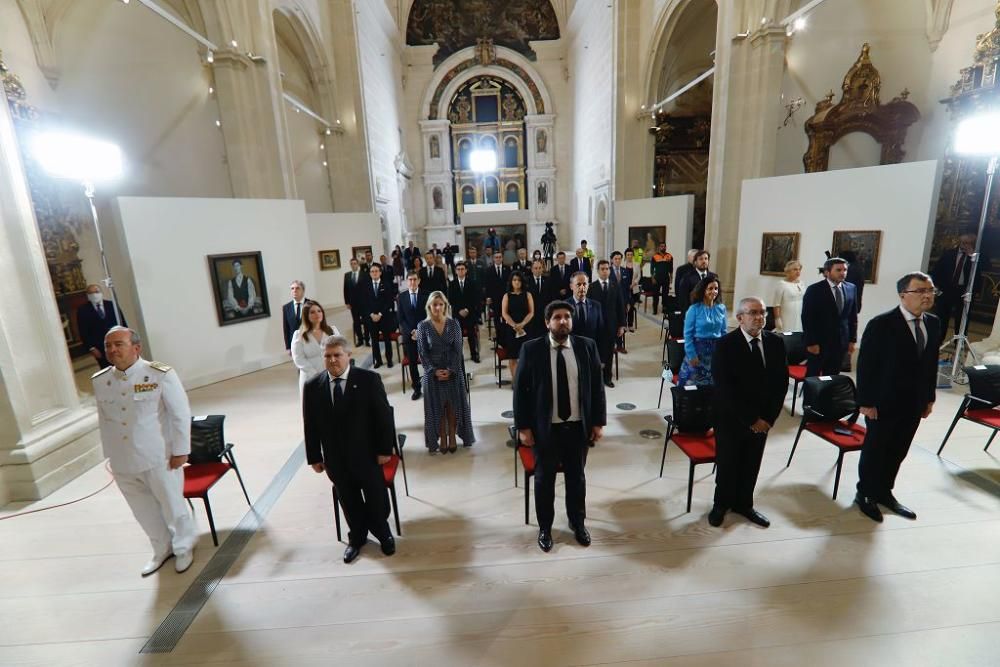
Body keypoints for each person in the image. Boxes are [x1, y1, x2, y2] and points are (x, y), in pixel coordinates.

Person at [93, 326, 196, 575]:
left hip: (157, 455)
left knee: (172, 504)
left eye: (119, 344)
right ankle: (162, 549)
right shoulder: (101, 380)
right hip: (123, 459)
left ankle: (183, 547)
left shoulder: (159, 373)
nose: (112, 350)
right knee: (142, 509)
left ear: (136, 347)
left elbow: (180, 414)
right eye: (108, 345)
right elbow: (105, 420)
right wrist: (110, 456)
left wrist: (181, 450)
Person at [514, 301, 607, 552]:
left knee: (577, 478)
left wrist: (598, 421)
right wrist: (523, 427)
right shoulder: (531, 350)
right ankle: (545, 527)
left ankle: (578, 523)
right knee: (544, 480)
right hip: (546, 430)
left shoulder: (587, 347)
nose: (563, 321)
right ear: (547, 322)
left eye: (567, 316)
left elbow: (597, 388)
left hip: (577, 428)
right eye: (557, 317)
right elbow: (520, 392)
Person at [854, 272, 940, 523]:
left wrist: (929, 398)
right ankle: (866, 494)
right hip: (883, 402)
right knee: (876, 449)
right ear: (903, 294)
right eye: (920, 290)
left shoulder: (933, 323)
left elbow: (930, 364)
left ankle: (884, 491)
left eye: (931, 290)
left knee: (898, 449)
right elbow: (866, 366)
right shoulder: (882, 324)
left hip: (914, 402)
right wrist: (866, 403)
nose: (927, 295)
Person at [303, 335, 396, 564]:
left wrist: (385, 450)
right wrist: (314, 456)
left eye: (337, 355)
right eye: (328, 356)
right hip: (336, 459)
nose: (333, 360)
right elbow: (310, 425)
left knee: (376, 499)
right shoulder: (313, 387)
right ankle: (357, 538)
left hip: (368, 456)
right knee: (349, 500)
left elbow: (383, 418)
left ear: (348, 356)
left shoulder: (368, 380)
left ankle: (383, 533)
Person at [708, 297, 789, 528]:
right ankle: (720, 504)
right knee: (728, 463)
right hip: (732, 418)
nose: (759, 317)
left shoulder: (775, 342)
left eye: (762, 312)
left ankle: (744, 504)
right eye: (753, 313)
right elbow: (725, 388)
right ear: (740, 317)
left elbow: (781, 383)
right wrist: (751, 419)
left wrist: (768, 419)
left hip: (763, 419)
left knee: (752, 462)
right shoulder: (725, 345)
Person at [417, 291, 475, 454]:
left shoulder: (454, 323)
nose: (437, 307)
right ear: (429, 306)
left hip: (453, 369)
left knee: (452, 404)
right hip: (432, 371)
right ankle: (442, 436)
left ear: (445, 306)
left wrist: (451, 370)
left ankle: (453, 436)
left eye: (440, 304)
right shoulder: (422, 326)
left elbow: (458, 350)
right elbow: (422, 352)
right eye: (434, 304)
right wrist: (434, 371)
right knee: (437, 406)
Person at [801, 257, 858, 377]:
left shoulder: (851, 288)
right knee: (813, 376)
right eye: (838, 270)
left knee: (832, 376)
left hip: (840, 341)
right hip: (819, 342)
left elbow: (852, 316)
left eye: (845, 270)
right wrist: (811, 342)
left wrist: (852, 340)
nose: (843, 273)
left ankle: (827, 396)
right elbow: (807, 318)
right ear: (827, 272)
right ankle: (810, 397)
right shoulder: (814, 290)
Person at [931, 231, 992, 337]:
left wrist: (972, 256)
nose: (964, 245)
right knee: (942, 317)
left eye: (968, 243)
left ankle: (959, 342)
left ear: (972, 244)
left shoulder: (977, 256)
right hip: (946, 289)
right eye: (963, 242)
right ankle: (938, 339)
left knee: (962, 319)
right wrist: (936, 287)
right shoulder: (949, 253)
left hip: (965, 291)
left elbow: (986, 267)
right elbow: (937, 270)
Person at [676, 276, 727, 387]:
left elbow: (723, 332)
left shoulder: (721, 308)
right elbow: (688, 335)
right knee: (692, 385)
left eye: (716, 288)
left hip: (715, 351)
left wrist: (724, 352)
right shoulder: (694, 309)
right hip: (698, 350)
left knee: (714, 386)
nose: (714, 291)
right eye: (710, 288)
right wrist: (691, 355)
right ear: (703, 290)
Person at [588, 260, 626, 388]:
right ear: (598, 271)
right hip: (596, 326)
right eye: (602, 269)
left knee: (609, 352)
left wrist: (622, 325)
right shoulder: (592, 287)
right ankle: (596, 378)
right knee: (596, 352)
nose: (605, 271)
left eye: (607, 269)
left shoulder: (615, 286)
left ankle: (607, 377)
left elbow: (620, 306)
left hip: (611, 325)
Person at [291, 301, 340, 397]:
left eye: (319, 311)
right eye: (312, 312)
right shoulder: (299, 334)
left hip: (332, 375)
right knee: (313, 408)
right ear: (306, 315)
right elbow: (298, 359)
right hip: (310, 377)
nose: (317, 314)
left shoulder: (332, 330)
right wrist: (317, 375)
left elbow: (341, 352)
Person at [77, 284, 127, 369]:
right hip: (99, 347)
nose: (94, 295)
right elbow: (83, 331)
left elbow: (123, 323)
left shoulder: (112, 305)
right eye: (91, 293)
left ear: (101, 293)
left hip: (117, 342)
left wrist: (126, 340)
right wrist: (92, 348)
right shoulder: (82, 311)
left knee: (123, 366)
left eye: (96, 292)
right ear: (87, 295)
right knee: (108, 370)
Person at [397, 271, 428, 400]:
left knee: (428, 361)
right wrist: (411, 331)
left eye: (415, 279)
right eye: (410, 280)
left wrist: (419, 331)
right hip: (409, 335)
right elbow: (401, 319)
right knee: (412, 363)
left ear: (419, 280)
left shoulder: (426, 295)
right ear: (406, 281)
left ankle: (431, 386)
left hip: (425, 334)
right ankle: (416, 388)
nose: (412, 282)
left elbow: (429, 316)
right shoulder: (402, 297)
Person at [358, 264, 395, 369]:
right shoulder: (365, 286)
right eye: (372, 271)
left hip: (384, 317)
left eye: (376, 271)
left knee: (387, 339)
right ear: (370, 273)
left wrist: (379, 314)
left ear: (380, 272)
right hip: (371, 317)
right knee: (374, 340)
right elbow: (363, 303)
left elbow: (389, 302)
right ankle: (377, 360)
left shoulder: (386, 285)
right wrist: (371, 314)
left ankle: (389, 360)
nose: (374, 273)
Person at [500, 271, 535, 379]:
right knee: (513, 356)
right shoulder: (507, 296)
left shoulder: (528, 295)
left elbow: (531, 312)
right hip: (511, 329)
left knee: (527, 356)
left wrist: (522, 324)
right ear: (511, 282)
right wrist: (515, 326)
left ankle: (526, 380)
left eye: (519, 280)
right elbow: (504, 313)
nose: (517, 282)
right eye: (514, 280)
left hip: (526, 327)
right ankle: (515, 382)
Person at [448, 261, 482, 363]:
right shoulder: (452, 284)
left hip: (470, 313)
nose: (460, 271)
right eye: (458, 269)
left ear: (466, 270)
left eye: (462, 269)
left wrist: (467, 309)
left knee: (472, 335)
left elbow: (475, 299)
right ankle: (459, 356)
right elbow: (451, 299)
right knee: (458, 337)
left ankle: (474, 354)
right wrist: (459, 310)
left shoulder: (472, 282)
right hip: (457, 314)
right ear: (455, 271)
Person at [568, 271, 604, 345]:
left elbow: (601, 333)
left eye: (584, 284)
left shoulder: (596, 306)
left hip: (591, 351)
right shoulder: (564, 306)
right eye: (578, 284)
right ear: (571, 286)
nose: (582, 287)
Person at [675, 250, 712, 314]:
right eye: (701, 259)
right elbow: (683, 299)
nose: (704, 261)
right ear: (695, 262)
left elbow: (717, 296)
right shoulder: (687, 278)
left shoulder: (713, 276)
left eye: (706, 259)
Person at [771, 260, 804, 332]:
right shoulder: (781, 284)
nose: (798, 272)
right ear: (788, 271)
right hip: (786, 318)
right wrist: (777, 319)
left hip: (799, 317)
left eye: (799, 269)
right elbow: (776, 304)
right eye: (795, 269)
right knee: (786, 337)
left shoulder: (801, 283)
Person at [343, 258, 369, 347]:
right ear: (350, 265)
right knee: (356, 322)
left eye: (355, 263)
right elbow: (345, 290)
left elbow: (367, 289)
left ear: (358, 264)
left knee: (366, 322)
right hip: (353, 304)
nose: (353, 265)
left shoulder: (364, 274)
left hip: (364, 303)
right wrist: (347, 302)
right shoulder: (347, 275)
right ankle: (360, 340)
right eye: (352, 264)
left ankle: (367, 339)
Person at [484, 251, 510, 336]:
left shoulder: (507, 268)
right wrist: (487, 297)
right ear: (493, 259)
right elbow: (487, 285)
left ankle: (506, 334)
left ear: (502, 258)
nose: (498, 259)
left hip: (506, 298)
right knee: (496, 318)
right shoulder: (489, 270)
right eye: (496, 257)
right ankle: (498, 335)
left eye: (500, 257)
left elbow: (510, 284)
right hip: (494, 299)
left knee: (506, 316)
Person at [527, 259, 553, 337]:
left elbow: (551, 298)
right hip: (531, 315)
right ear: (532, 270)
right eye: (535, 268)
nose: (538, 270)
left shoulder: (548, 280)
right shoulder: (527, 281)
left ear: (542, 269)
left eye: (539, 268)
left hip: (544, 315)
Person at [650, 243, 675, 315]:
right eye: (661, 246)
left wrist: (671, 277)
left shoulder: (669, 256)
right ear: (659, 247)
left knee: (665, 295)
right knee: (655, 294)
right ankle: (655, 309)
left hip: (666, 278)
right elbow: (652, 268)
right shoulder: (655, 256)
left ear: (666, 247)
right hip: (657, 278)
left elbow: (671, 268)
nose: (663, 247)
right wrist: (652, 278)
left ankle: (664, 308)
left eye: (664, 246)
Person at [282, 280, 307, 352]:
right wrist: (288, 347)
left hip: (310, 341)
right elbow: (286, 328)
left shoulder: (311, 304)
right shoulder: (286, 307)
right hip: (295, 343)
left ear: (303, 290)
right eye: (292, 288)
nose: (294, 290)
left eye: (297, 288)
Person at [622, 249, 641, 331]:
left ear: (633, 255)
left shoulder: (637, 264)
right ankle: (624, 324)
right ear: (625, 256)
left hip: (633, 289)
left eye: (631, 254)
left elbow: (639, 276)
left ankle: (630, 324)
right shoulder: (622, 265)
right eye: (628, 254)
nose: (629, 256)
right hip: (624, 289)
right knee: (623, 307)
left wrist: (634, 283)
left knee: (631, 307)